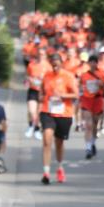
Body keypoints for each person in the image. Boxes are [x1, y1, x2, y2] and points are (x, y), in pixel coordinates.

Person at [38, 51, 79, 184]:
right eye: (53, 65)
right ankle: (46, 172)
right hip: (47, 111)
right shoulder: (47, 76)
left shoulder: (68, 76)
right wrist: (41, 97)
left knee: (59, 143)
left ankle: (60, 168)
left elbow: (76, 95)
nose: (55, 67)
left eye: (57, 65)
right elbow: (41, 91)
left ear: (61, 64)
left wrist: (62, 96)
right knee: (46, 139)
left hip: (63, 113)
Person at [79, 54, 104, 159]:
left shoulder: (102, 74)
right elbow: (79, 87)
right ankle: (88, 148)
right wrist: (80, 96)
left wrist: (102, 85)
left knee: (95, 124)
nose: (92, 64)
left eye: (94, 62)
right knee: (88, 124)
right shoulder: (84, 75)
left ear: (97, 63)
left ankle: (92, 143)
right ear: (88, 63)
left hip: (97, 100)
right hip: (87, 100)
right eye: (90, 62)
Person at [24, 52, 50, 139]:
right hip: (33, 90)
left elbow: (50, 78)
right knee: (32, 111)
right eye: (39, 54)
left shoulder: (48, 66)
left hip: (43, 92)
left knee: (39, 112)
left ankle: (36, 129)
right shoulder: (31, 65)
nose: (41, 56)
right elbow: (27, 75)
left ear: (45, 56)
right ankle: (31, 126)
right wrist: (30, 80)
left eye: (43, 54)